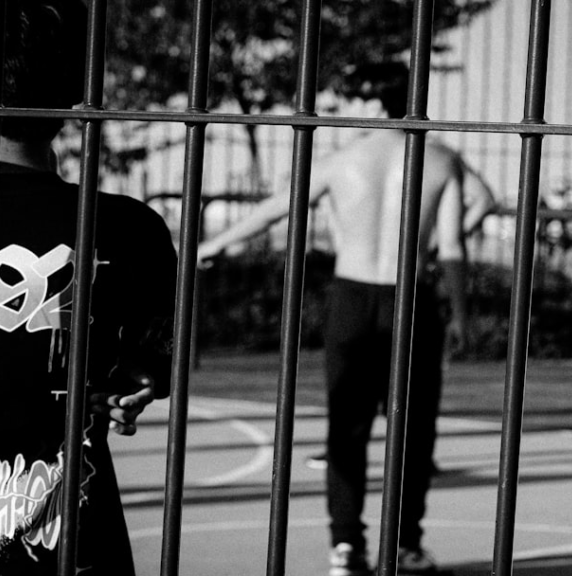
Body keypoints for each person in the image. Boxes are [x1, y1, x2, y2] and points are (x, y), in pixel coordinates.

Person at [0, 0, 176, 573]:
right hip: (70, 544)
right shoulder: (128, 229)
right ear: (75, 93)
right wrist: (131, 385)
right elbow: (153, 364)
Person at [198, 62, 493, 576]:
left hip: (352, 299)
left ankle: (346, 547)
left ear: (374, 105)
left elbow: (275, 209)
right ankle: (405, 547)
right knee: (413, 430)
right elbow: (452, 246)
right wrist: (463, 315)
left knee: (346, 429)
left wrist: (215, 244)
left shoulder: (343, 160)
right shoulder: (441, 159)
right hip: (413, 300)